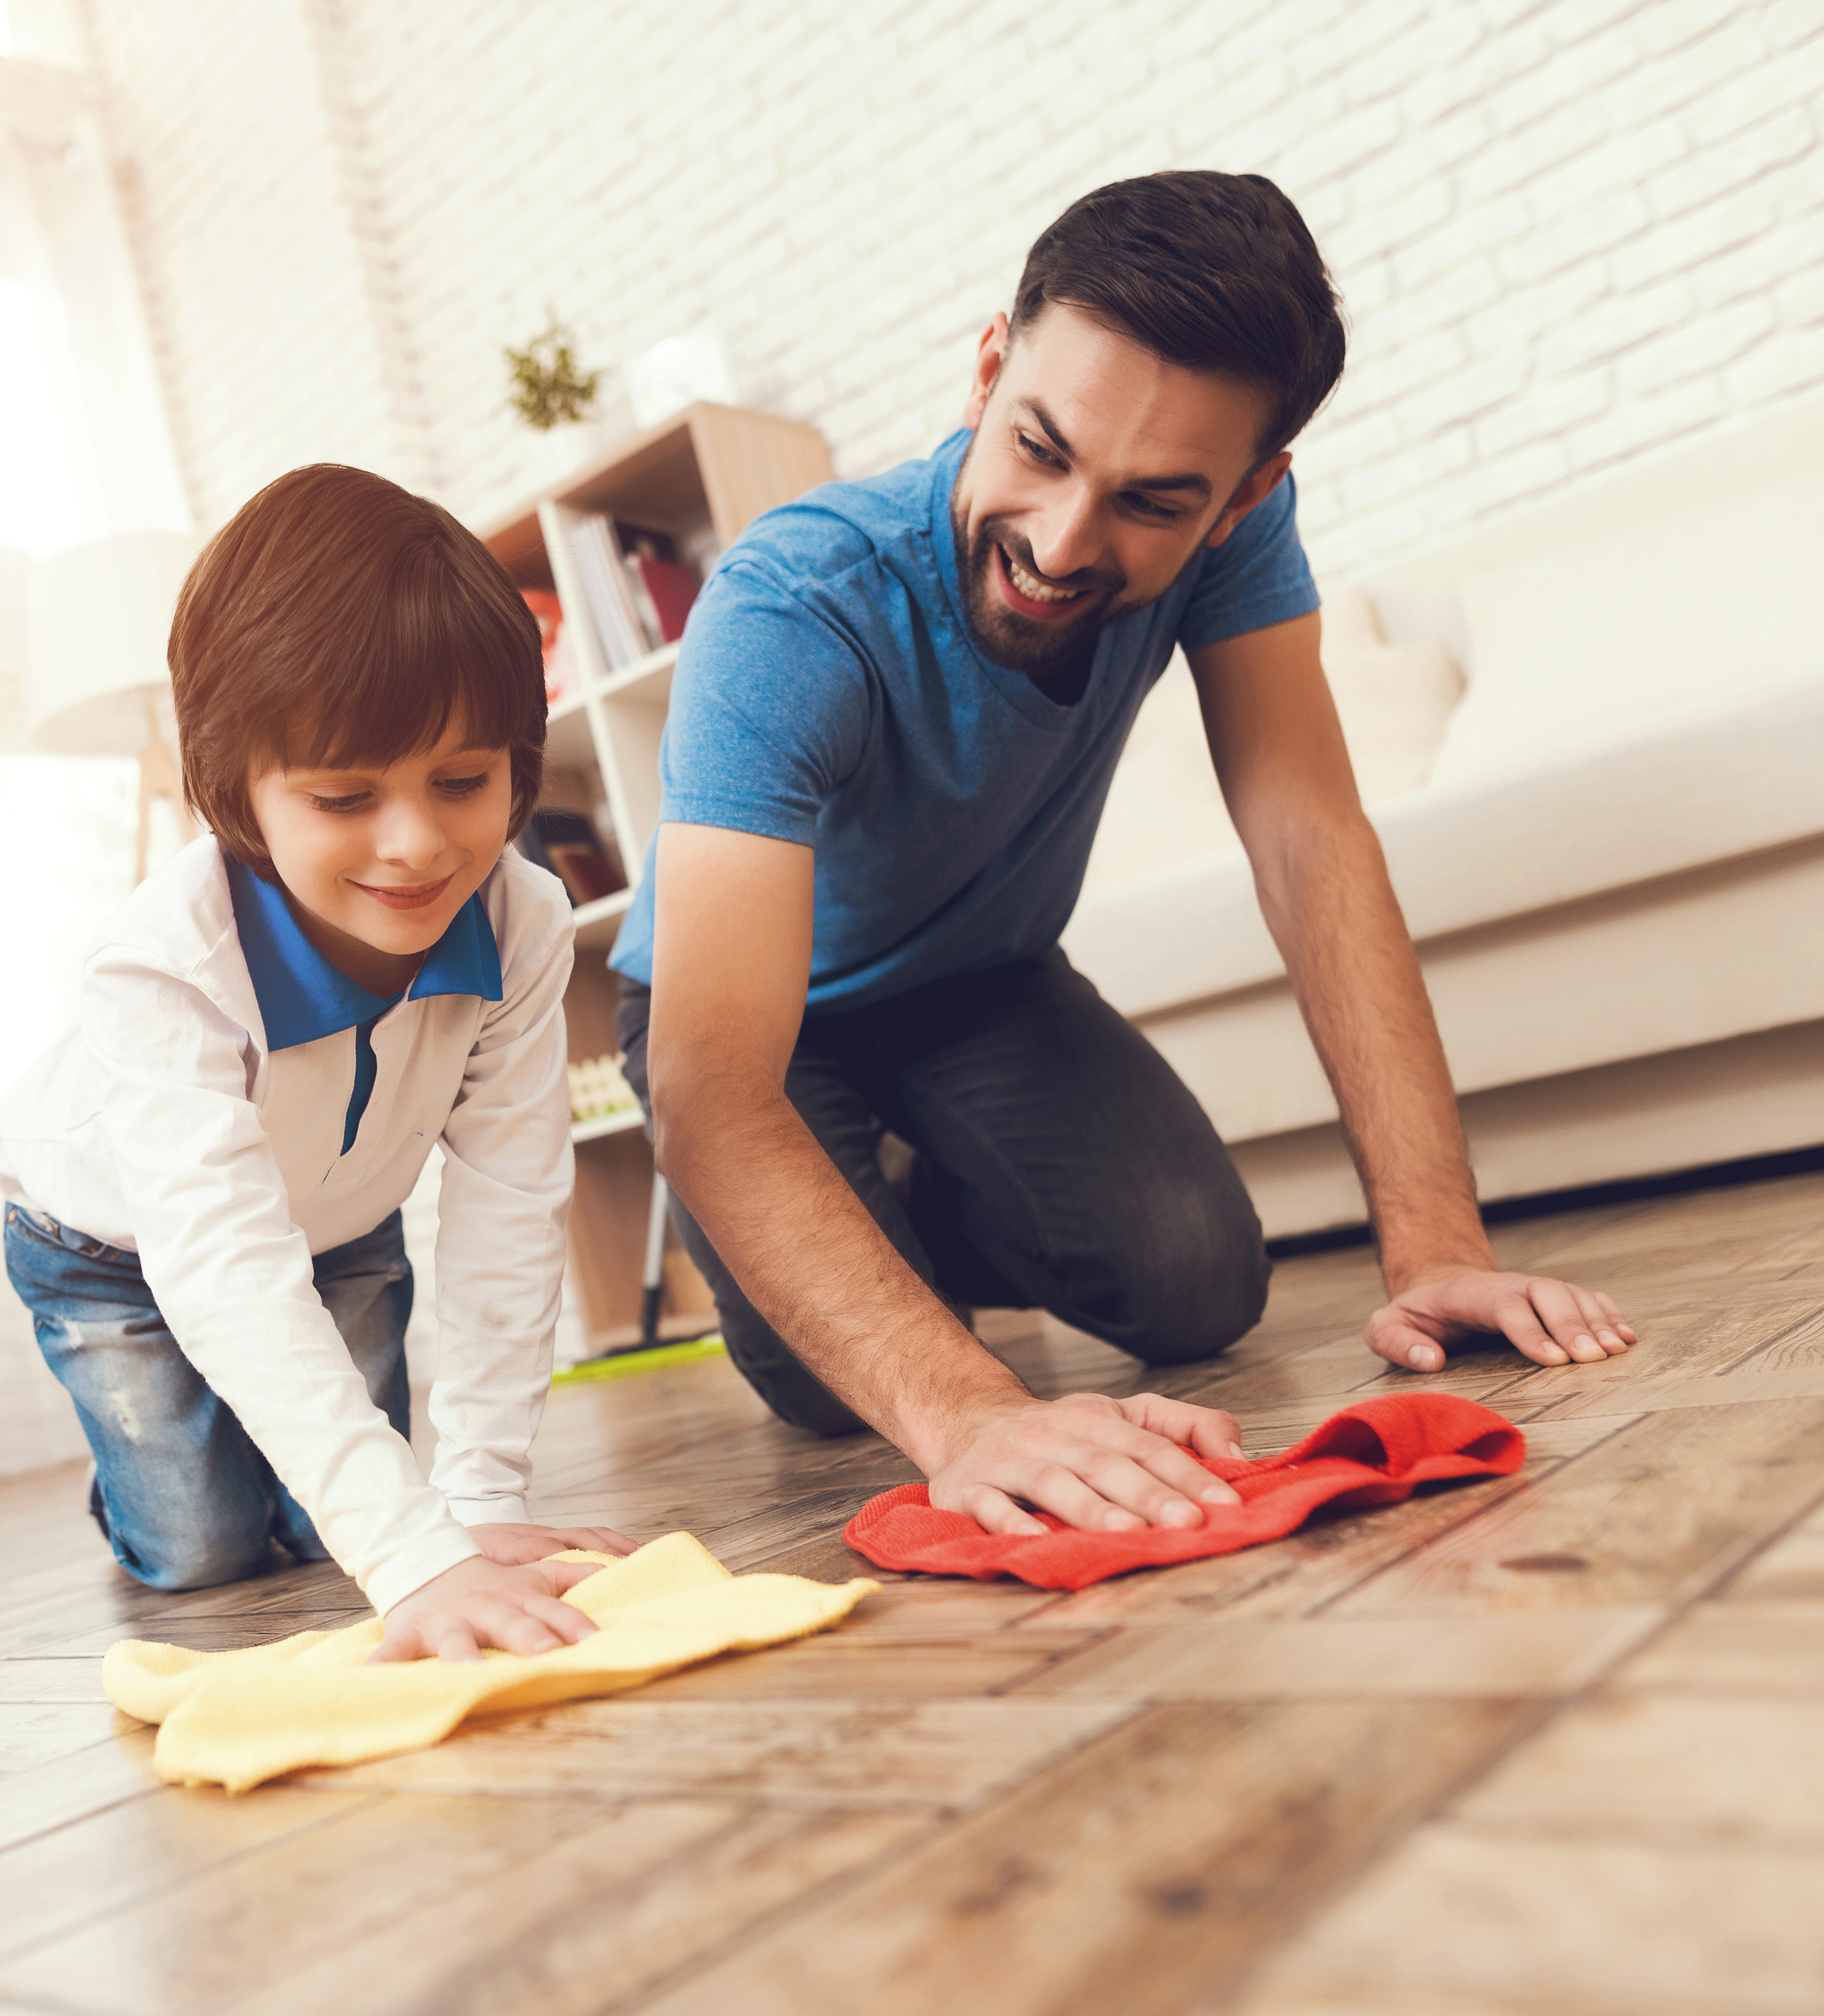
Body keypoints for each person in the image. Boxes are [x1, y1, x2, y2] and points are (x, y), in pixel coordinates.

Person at [614, 170, 1637, 1541]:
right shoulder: (794, 609)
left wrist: (1439, 1249)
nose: (1060, 542)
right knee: (826, 1380)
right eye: (1041, 449)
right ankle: (873, 1227)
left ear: (1242, 497)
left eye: (1152, 504)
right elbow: (707, 1085)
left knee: (1199, 1287)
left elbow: (1310, 838)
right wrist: (966, 1411)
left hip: (980, 977)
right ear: (990, 368)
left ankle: (906, 1200)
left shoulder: (1238, 533)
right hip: (760, 1028)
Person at [0, 463, 630, 1663]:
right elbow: (222, 1260)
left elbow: (509, 1205)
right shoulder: (163, 962)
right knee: (206, 1551)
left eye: (464, 782)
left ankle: (275, 1460)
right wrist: (412, 1557)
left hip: (338, 1227)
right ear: (237, 793)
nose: (417, 845)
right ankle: (146, 1470)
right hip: (110, 1249)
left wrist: (478, 1506)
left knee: (341, 1515)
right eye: (344, 796)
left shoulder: (525, 922)